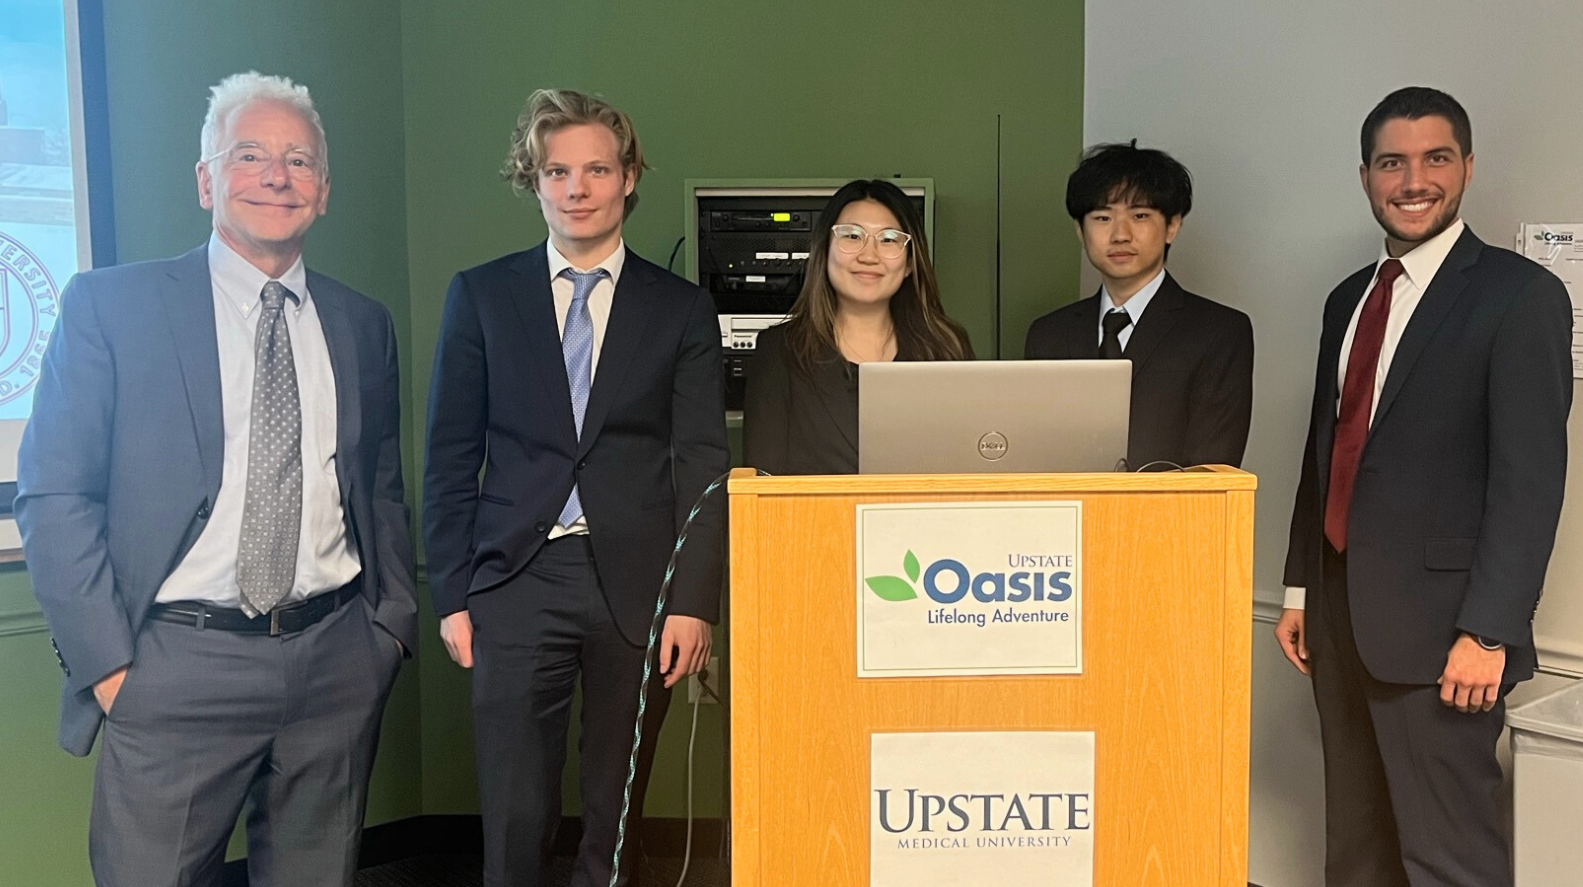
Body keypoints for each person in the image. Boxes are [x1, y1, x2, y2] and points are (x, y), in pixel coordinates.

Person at [16, 71, 415, 887]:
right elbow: (56, 494)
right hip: (173, 664)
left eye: (299, 160)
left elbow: (378, 487)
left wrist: (387, 631)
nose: (277, 176)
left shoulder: (361, 322)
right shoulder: (109, 307)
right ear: (206, 181)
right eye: (250, 155)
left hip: (336, 659)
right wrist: (111, 670)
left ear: (324, 191)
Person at [422, 88, 727, 887]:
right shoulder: (480, 297)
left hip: (640, 584)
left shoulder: (682, 308)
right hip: (514, 580)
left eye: (596, 168)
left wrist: (695, 601)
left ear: (628, 178)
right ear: (533, 181)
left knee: (614, 810)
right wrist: (452, 593)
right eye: (557, 171)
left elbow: (702, 462)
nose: (577, 188)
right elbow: (450, 456)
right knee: (516, 810)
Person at [1276, 86, 1572, 887]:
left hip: (1446, 637)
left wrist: (1489, 630)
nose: (1413, 180)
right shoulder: (1348, 298)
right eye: (1391, 162)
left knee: (1448, 859)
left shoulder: (1519, 296)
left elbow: (1529, 480)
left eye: (1434, 158)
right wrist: (1300, 586)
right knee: (1358, 847)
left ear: (1467, 168)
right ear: (1365, 176)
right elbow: (1325, 449)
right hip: (1337, 620)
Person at [1024, 142, 1253, 469]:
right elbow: (1034, 456)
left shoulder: (1219, 332)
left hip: (1173, 520)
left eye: (1140, 215)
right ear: (1080, 230)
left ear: (1172, 225)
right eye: (1102, 217)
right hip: (1066, 518)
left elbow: (1211, 469)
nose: (1120, 234)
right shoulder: (1049, 335)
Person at [743, 178, 974, 474]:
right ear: (824, 251)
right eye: (852, 236)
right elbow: (761, 491)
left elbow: (967, 476)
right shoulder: (780, 351)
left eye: (889, 239)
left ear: (909, 264)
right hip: (814, 521)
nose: (868, 255)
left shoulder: (947, 348)